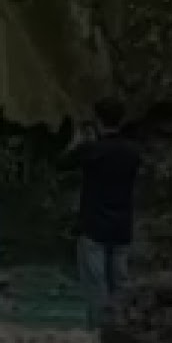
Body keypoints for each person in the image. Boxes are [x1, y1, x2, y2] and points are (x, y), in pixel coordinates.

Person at [61, 98, 142, 329]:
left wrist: (77, 141)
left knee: (96, 286)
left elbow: (62, 164)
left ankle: (100, 334)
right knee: (121, 282)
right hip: (122, 225)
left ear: (97, 120)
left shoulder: (92, 151)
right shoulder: (133, 152)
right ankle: (124, 330)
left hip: (93, 226)